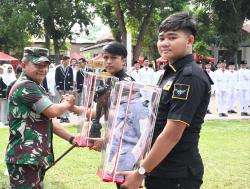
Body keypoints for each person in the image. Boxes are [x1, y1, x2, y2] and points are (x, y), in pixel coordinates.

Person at [119, 12, 212, 189]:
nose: (164, 43)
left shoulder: (189, 77)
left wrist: (140, 173)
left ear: (190, 40)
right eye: (161, 38)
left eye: (172, 37)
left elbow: (171, 134)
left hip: (177, 174)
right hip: (160, 167)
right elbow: (156, 121)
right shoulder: (170, 73)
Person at [5, 47, 78, 189]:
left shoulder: (36, 87)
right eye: (38, 65)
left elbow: (51, 121)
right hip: (24, 158)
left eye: (45, 66)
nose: (43, 69)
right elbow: (52, 111)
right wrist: (67, 103)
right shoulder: (26, 86)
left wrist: (71, 138)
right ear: (24, 65)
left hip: (32, 159)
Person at [55, 55, 74, 123]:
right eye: (67, 61)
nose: (68, 62)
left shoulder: (70, 69)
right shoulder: (58, 69)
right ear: (63, 61)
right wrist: (58, 88)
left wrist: (71, 88)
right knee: (62, 102)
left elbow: (71, 79)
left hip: (67, 88)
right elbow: (56, 79)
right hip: (61, 88)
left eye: (69, 61)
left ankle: (66, 117)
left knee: (67, 102)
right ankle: (62, 117)